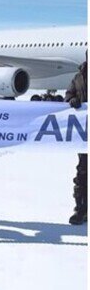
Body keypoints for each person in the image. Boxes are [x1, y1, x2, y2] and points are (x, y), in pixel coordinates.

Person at [65, 56, 87, 225]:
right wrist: (71, 100)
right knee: (83, 173)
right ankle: (80, 209)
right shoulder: (78, 77)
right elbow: (68, 94)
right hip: (84, 135)